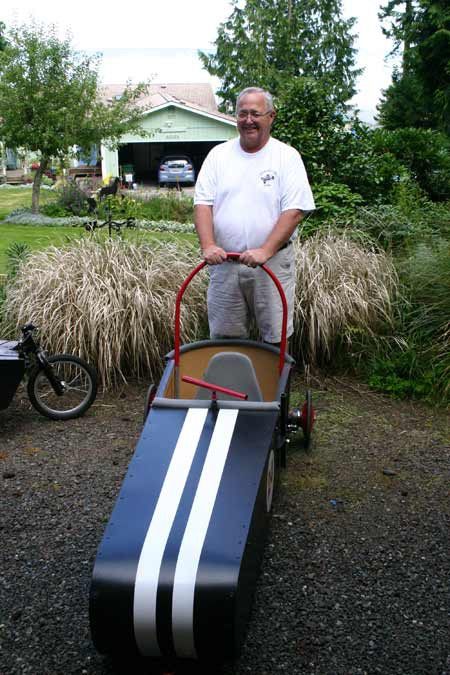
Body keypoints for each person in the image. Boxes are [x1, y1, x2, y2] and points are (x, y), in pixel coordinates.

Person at [194, 86, 315, 345]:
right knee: (226, 338)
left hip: (271, 263)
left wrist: (265, 250)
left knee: (276, 335)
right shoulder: (218, 156)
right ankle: (233, 385)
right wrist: (208, 245)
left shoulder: (286, 157)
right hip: (224, 264)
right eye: (242, 113)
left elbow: (294, 211)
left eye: (256, 114)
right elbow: (203, 204)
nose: (248, 120)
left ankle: (275, 386)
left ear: (271, 116)